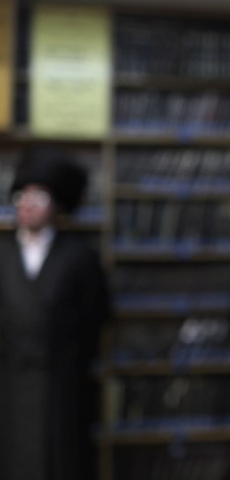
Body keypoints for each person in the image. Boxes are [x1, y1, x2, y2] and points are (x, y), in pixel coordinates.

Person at [0, 150, 110, 480]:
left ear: (58, 206)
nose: (27, 203)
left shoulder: (80, 256)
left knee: (62, 461)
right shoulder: (1, 252)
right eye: (22, 195)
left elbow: (96, 316)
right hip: (7, 380)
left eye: (38, 196)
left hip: (62, 383)